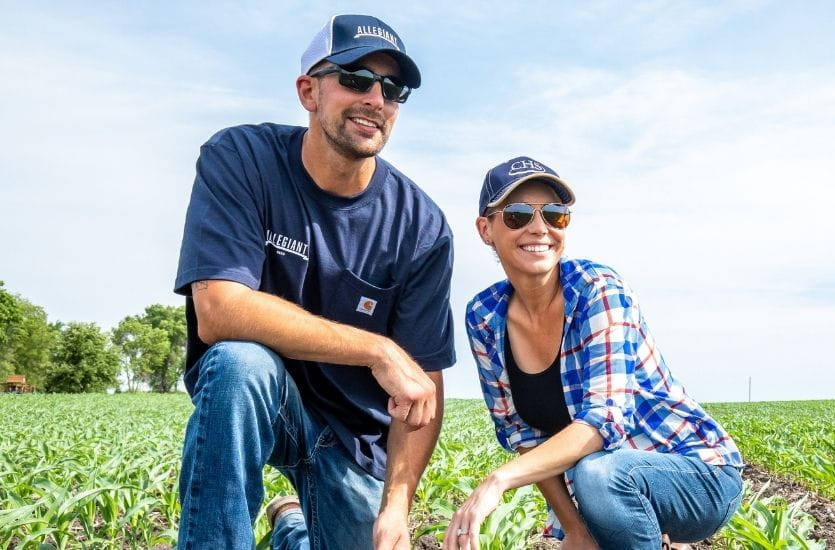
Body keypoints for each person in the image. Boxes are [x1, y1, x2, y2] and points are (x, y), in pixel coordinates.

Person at [172, 14, 455, 549]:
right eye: (355, 78)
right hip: (261, 396)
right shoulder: (240, 159)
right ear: (309, 91)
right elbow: (219, 310)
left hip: (354, 438)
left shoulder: (421, 227)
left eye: (393, 89)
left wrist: (398, 505)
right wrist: (378, 350)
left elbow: (425, 386)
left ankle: (292, 526)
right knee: (239, 363)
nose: (376, 97)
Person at [446, 157, 745, 550]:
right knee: (599, 480)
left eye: (555, 214)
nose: (540, 227)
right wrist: (576, 530)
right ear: (486, 229)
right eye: (518, 215)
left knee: (599, 473)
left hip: (699, 475)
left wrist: (499, 479)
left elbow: (605, 421)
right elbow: (521, 432)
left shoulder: (598, 290)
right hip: (608, 489)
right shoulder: (484, 318)